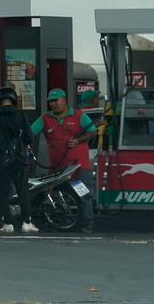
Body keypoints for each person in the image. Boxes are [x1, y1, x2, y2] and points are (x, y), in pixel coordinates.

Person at [31, 87, 98, 233]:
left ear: (64, 100)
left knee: (82, 193)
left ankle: (87, 224)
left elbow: (93, 131)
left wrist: (78, 140)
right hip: (57, 169)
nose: (53, 104)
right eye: (51, 101)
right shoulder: (45, 119)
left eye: (56, 101)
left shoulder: (78, 116)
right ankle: (58, 223)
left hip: (78, 166)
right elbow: (30, 133)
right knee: (56, 195)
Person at [0, 87, 37, 233]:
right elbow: (30, 137)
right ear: (13, 99)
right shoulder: (20, 115)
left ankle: (7, 223)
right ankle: (26, 222)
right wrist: (20, 145)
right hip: (18, 159)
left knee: (2, 192)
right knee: (22, 190)